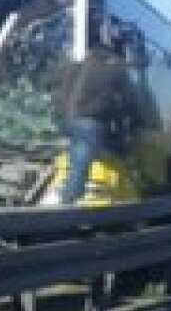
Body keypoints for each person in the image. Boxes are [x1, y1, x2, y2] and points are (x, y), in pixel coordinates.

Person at [58, 39, 138, 205]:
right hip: (91, 122)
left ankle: (69, 192)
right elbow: (129, 101)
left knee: (76, 158)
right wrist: (123, 121)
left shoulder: (75, 67)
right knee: (82, 161)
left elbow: (61, 94)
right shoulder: (116, 70)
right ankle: (69, 201)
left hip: (68, 121)